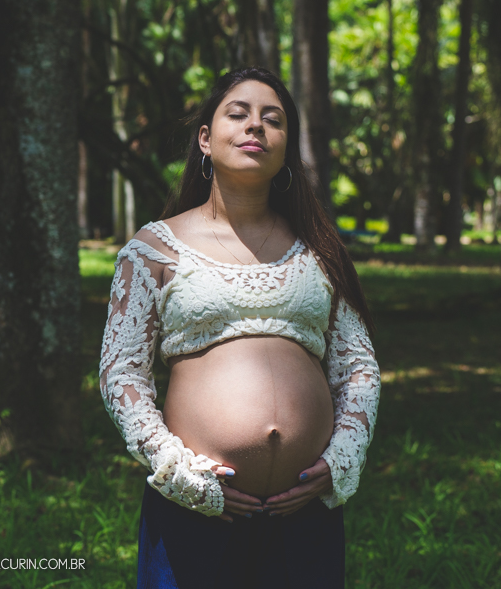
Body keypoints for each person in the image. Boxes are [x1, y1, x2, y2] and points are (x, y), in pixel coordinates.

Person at [98, 67, 380, 588]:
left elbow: (358, 365)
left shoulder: (320, 249)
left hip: (304, 515)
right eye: (239, 114)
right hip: (197, 512)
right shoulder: (153, 249)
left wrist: (343, 455)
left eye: (272, 120)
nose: (256, 127)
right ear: (205, 139)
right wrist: (176, 469)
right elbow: (121, 372)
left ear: (286, 148)